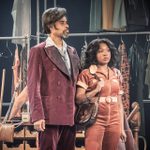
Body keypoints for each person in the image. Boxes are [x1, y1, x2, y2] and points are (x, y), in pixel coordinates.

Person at [27, 7, 80, 150]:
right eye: (62, 23)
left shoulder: (72, 51)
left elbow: (75, 83)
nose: (67, 25)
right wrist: (37, 116)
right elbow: (33, 86)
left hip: (70, 115)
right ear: (51, 26)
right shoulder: (38, 50)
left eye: (66, 22)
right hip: (49, 116)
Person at [75, 38, 126, 150]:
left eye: (108, 50)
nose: (105, 54)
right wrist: (95, 90)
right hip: (95, 121)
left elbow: (119, 103)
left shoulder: (116, 73)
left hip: (115, 121)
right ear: (93, 54)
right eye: (100, 51)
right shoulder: (86, 73)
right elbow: (78, 99)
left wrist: (122, 128)